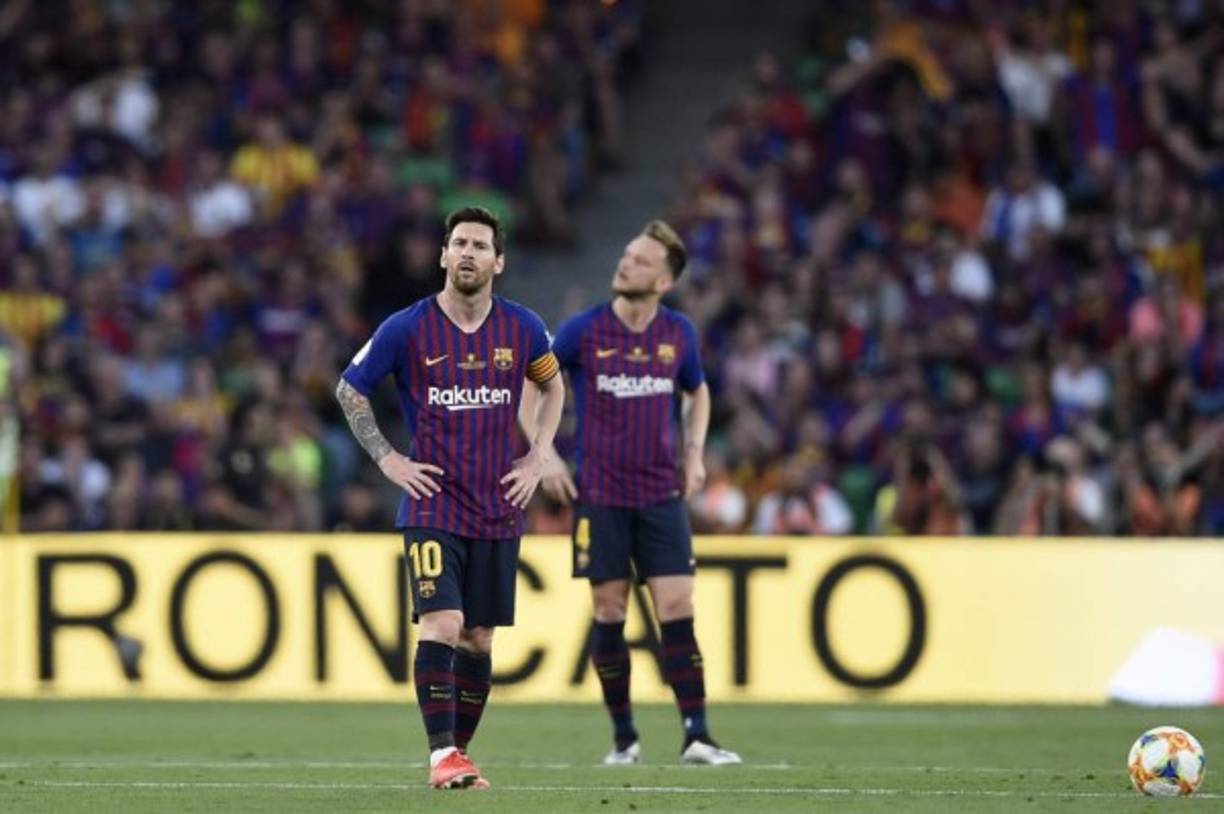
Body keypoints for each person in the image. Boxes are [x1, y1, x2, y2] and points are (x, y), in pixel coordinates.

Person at [335, 207, 564, 790]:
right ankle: (442, 756)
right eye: (458, 242)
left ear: (498, 261)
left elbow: (552, 382)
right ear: (443, 255)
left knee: (479, 638)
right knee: (443, 621)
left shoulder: (523, 328)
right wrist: (389, 459)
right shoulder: (406, 328)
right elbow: (349, 388)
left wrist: (539, 455)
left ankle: (457, 754)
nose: (467, 252)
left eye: (479, 245)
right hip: (432, 502)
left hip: (498, 503)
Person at [536, 220, 741, 765]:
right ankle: (624, 738)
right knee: (610, 610)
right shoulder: (582, 331)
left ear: (664, 282)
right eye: (628, 255)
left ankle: (697, 734)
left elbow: (698, 391)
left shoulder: (678, 334)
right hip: (599, 496)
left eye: (643, 261)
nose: (627, 264)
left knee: (677, 605)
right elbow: (533, 389)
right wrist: (545, 453)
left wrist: (694, 453)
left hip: (659, 495)